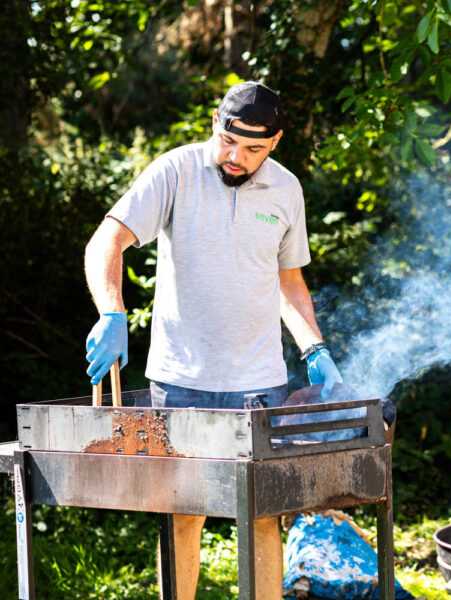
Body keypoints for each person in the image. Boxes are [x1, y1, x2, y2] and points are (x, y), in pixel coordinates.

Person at [84, 81, 343, 600]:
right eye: (228, 141)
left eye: (252, 148)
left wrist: (314, 348)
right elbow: (107, 239)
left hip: (259, 383)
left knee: (264, 515)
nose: (235, 157)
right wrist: (111, 311)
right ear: (215, 126)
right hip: (180, 381)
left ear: (275, 142)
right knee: (183, 515)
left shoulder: (287, 189)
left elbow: (290, 282)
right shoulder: (175, 171)